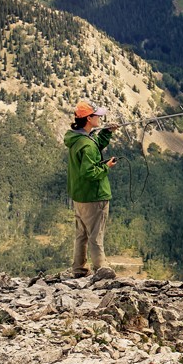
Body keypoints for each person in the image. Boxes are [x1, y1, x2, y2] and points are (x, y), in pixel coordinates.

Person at [63, 101, 119, 279]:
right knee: (96, 234)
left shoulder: (78, 139)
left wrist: (106, 133)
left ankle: (79, 268)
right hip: (94, 197)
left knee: (81, 234)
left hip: (80, 196)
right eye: (97, 115)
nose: (100, 118)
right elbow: (89, 172)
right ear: (88, 118)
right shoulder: (86, 144)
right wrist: (107, 166)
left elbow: (94, 146)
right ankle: (101, 269)